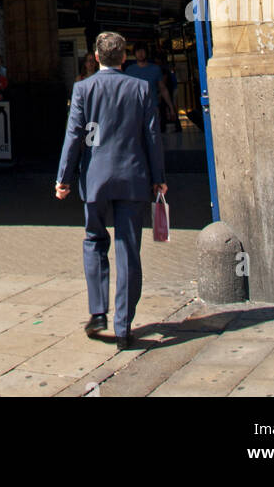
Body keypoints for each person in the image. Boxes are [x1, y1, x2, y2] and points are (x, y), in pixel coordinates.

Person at [55, 30, 166, 348]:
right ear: (124, 57)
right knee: (129, 250)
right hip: (133, 178)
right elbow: (152, 136)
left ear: (97, 57)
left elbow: (73, 136)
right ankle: (123, 325)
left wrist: (64, 178)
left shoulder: (83, 89)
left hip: (95, 180)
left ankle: (98, 311)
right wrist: (158, 176)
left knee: (93, 241)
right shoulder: (141, 88)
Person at [125, 42, 175, 124]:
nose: (140, 53)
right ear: (134, 53)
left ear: (146, 53)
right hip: (135, 109)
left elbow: (163, 89)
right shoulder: (129, 70)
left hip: (152, 108)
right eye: (138, 51)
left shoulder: (155, 69)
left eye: (143, 51)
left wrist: (171, 107)